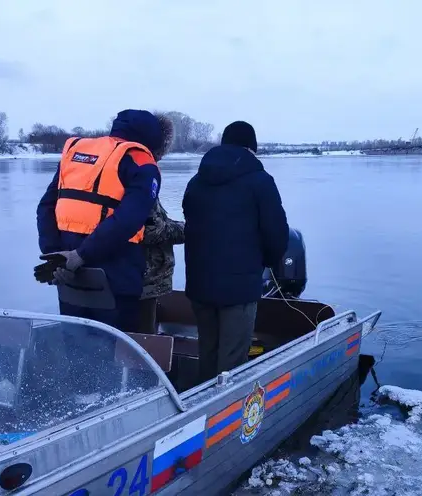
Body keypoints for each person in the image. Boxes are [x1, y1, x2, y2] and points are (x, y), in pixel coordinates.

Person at [36, 109, 165, 333]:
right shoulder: (142, 161)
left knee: (76, 348)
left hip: (69, 275)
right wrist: (81, 256)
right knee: (116, 354)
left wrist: (55, 256)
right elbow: (128, 220)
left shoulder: (76, 152)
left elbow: (46, 207)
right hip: (116, 278)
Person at [183, 121, 289, 382]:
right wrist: (266, 263)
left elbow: (189, 218)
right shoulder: (260, 181)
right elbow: (277, 233)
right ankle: (225, 418)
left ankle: (200, 412)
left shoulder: (197, 181)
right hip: (239, 288)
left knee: (207, 351)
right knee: (232, 362)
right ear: (251, 148)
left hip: (199, 283)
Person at [140, 124, 185, 333]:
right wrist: (191, 230)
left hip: (127, 277)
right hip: (144, 281)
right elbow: (152, 230)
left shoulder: (117, 169)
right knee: (142, 341)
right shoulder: (141, 173)